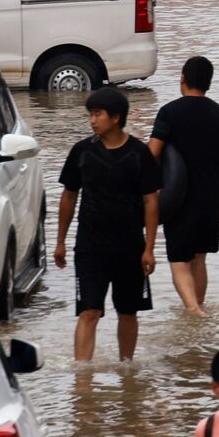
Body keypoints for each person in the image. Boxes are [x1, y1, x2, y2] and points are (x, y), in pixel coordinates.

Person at [55, 86, 158, 360]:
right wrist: (60, 241)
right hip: (90, 246)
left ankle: (127, 371)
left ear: (116, 117)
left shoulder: (139, 154)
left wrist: (149, 248)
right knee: (89, 311)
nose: (92, 120)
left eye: (97, 114)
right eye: (90, 114)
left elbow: (151, 202)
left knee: (128, 311)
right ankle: (82, 379)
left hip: (130, 247)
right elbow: (68, 196)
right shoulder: (82, 152)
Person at [147, 56, 219, 316]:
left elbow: (153, 152)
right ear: (208, 83)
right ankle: (199, 307)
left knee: (178, 259)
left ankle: (193, 309)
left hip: (178, 197)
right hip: (211, 196)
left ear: (182, 78)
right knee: (199, 257)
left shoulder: (169, 112)